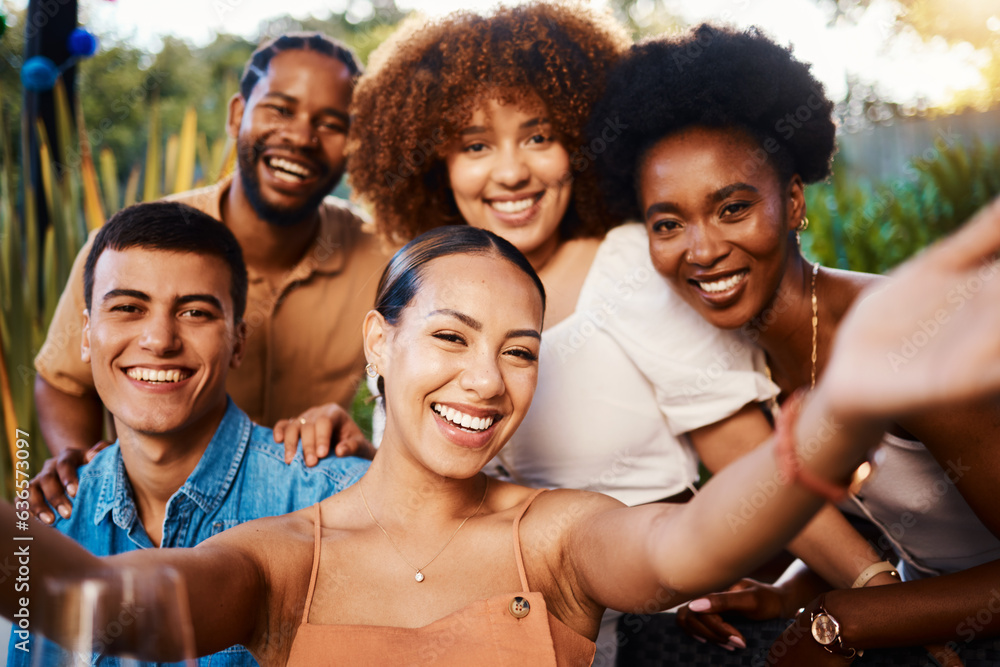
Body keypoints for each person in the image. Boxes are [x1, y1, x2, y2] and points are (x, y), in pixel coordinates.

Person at [6, 208, 1000, 666]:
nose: (485, 380)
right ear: (379, 342)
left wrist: (837, 406)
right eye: (449, 336)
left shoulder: (554, 532)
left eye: (520, 350)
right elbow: (112, 611)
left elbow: (689, 547)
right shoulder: (284, 553)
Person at [342, 6, 900, 662]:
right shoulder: (422, 292)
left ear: (578, 142)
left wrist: (874, 585)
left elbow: (753, 462)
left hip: (647, 624)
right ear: (435, 161)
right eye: (475, 144)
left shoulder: (627, 265)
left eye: (538, 136)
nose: (512, 172)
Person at [589, 23, 1000, 664]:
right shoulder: (750, 354)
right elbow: (905, 525)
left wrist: (842, 620)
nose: (701, 250)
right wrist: (784, 594)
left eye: (732, 208)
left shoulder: (909, 340)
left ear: (794, 200)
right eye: (668, 223)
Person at [30, 32, 387, 523]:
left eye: (330, 124)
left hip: (297, 516)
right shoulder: (129, 250)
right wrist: (88, 472)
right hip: (153, 516)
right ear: (238, 113)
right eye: (280, 110)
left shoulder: (382, 258)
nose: (302, 138)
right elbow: (62, 378)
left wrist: (358, 444)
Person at [7, 201, 370, 667]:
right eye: (127, 308)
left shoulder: (340, 507)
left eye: (195, 312)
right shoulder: (44, 526)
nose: (159, 340)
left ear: (237, 341)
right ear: (85, 334)